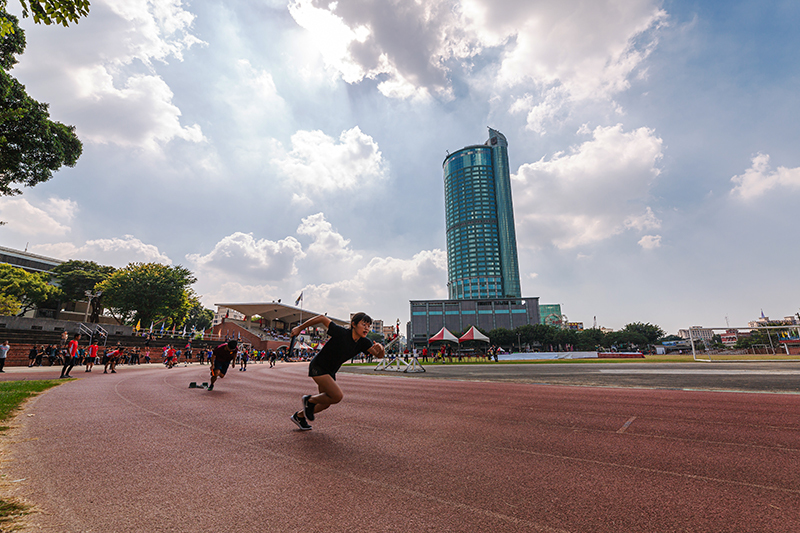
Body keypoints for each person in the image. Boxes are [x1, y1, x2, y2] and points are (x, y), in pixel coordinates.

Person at [290, 312, 385, 431]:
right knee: (337, 396)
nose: (367, 328)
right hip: (319, 366)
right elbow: (321, 318)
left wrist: (381, 348)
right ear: (354, 324)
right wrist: (299, 328)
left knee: (325, 403)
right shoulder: (341, 332)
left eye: (369, 325)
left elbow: (379, 355)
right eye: (364, 324)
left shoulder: (364, 342)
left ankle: (299, 416)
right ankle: (309, 400)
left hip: (330, 371)